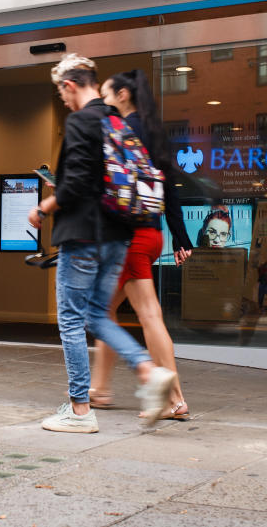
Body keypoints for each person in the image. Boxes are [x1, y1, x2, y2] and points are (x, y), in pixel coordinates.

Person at [28, 53, 176, 433]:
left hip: (83, 236)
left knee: (71, 320)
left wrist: (46, 205)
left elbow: (76, 182)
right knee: (96, 315)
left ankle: (79, 411)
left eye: (62, 93)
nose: (63, 100)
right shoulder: (117, 121)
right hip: (118, 236)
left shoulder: (81, 120)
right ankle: (147, 369)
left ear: (71, 85)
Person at [89, 69, 192, 421]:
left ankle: (174, 397)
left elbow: (110, 185)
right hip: (150, 232)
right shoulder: (154, 132)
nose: (102, 101)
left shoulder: (123, 131)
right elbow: (170, 186)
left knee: (148, 314)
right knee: (102, 312)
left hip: (129, 236)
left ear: (121, 95)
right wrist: (181, 237)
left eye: (104, 94)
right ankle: (100, 389)